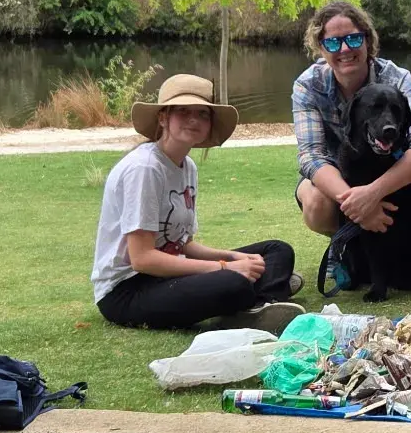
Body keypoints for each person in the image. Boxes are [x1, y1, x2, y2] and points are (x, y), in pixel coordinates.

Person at [93, 73, 302, 332]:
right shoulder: (145, 168)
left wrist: (232, 256)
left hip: (167, 274)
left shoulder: (187, 166)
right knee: (231, 282)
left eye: (203, 113)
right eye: (183, 111)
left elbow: (183, 244)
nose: (194, 119)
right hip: (128, 289)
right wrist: (225, 267)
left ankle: (258, 301)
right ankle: (264, 293)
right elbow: (142, 259)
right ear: (163, 117)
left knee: (277, 250)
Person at [292, 0, 411, 240]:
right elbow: (311, 155)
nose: (344, 49)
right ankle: (344, 241)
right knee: (315, 202)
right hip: (340, 172)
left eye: (353, 39)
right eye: (333, 42)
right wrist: (356, 205)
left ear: (367, 40)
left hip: (391, 167)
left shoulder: (396, 78)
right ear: (321, 49)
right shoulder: (308, 85)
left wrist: (373, 194)